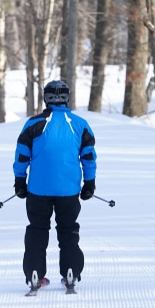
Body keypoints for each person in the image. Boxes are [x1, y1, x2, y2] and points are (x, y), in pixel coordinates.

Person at [12, 79, 96, 292]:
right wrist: (90, 182)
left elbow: (22, 154)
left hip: (38, 190)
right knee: (68, 230)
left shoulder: (33, 123)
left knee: (37, 230)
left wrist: (19, 180)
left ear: (45, 98)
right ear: (67, 98)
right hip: (68, 190)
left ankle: (34, 273)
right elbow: (88, 156)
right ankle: (71, 272)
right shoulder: (79, 124)